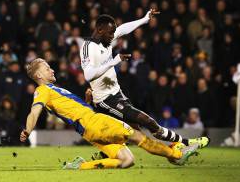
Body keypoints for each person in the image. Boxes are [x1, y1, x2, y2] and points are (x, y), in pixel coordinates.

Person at [20, 58, 199, 170]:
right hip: (95, 123)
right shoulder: (42, 90)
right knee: (137, 136)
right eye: (47, 68)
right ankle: (176, 155)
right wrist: (28, 130)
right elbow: (34, 112)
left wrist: (87, 100)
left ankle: (80, 166)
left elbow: (72, 110)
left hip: (89, 131)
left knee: (127, 160)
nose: (51, 70)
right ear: (38, 75)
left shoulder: (52, 90)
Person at [80, 9, 209, 147]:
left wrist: (144, 19)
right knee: (145, 121)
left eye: (113, 32)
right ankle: (186, 143)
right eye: (111, 33)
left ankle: (104, 155)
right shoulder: (88, 47)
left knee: (136, 130)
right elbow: (88, 75)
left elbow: (123, 28)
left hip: (117, 93)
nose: (113, 36)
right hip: (105, 99)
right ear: (100, 30)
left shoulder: (106, 39)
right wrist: (113, 61)